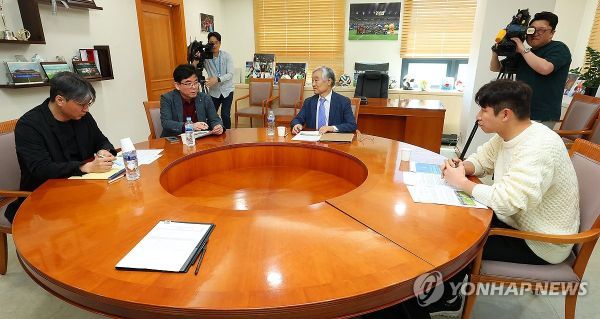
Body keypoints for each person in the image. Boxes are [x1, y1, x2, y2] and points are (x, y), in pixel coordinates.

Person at [431, 79, 580, 316]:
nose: (478, 116)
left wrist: (462, 183)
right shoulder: (507, 135)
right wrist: (463, 168)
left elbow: (508, 202)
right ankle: (446, 292)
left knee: (456, 242)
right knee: (453, 223)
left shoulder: (539, 147)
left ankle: (449, 299)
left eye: (483, 110)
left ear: (505, 114)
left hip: (541, 241)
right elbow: (482, 161)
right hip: (517, 222)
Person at [5, 72, 116, 223]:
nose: (86, 109)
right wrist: (84, 167)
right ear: (60, 100)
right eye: (82, 104)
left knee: (111, 213)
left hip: (82, 189)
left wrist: (104, 150)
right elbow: (41, 169)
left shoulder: (82, 117)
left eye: (88, 104)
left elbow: (101, 140)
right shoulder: (29, 125)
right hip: (45, 197)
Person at [490, 11, 571, 129]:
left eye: (541, 30)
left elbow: (545, 68)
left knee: (535, 147)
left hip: (543, 115)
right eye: (531, 29)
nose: (535, 33)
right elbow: (495, 68)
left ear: (552, 33)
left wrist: (522, 48)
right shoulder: (526, 53)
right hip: (520, 112)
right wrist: (495, 52)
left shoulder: (559, 48)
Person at [160, 64, 224, 137]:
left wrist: (218, 126)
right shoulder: (167, 98)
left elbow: (214, 119)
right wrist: (190, 126)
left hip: (200, 140)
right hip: (176, 140)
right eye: (188, 83)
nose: (194, 87)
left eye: (196, 82)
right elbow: (166, 123)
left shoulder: (205, 98)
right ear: (177, 85)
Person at [291, 66, 357, 134]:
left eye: (316, 80)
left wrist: (331, 128)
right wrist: (297, 125)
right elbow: (297, 119)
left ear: (329, 81)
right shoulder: (309, 102)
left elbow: (351, 125)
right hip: (312, 141)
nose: (313, 84)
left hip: (333, 141)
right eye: (312, 81)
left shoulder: (343, 102)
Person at [204, 31, 234, 129]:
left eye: (216, 42)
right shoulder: (206, 58)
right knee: (211, 115)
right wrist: (196, 58)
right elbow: (195, 69)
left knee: (225, 115)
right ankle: (212, 134)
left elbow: (230, 74)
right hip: (214, 92)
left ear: (220, 43)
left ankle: (228, 135)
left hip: (227, 90)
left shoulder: (226, 56)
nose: (214, 45)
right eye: (211, 43)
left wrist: (217, 79)